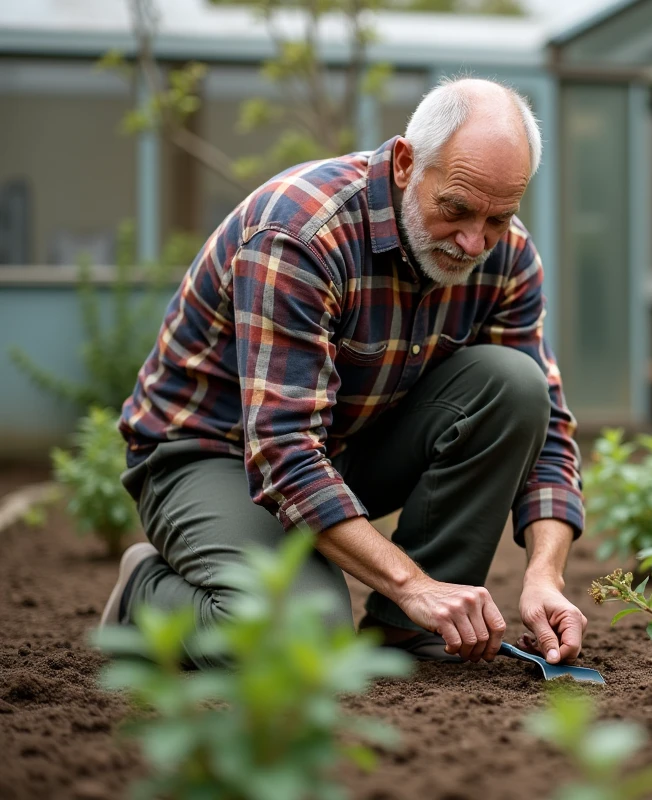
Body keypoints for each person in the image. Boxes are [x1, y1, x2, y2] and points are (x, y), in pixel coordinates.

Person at [100, 77, 588, 667]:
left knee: (514, 386)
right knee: (300, 639)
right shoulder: (300, 235)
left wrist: (544, 575)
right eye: (456, 209)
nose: (472, 240)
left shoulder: (505, 254)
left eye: (497, 218)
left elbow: (549, 432)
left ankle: (413, 633)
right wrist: (412, 584)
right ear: (407, 163)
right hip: (211, 452)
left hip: (342, 443)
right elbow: (284, 451)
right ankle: (143, 597)